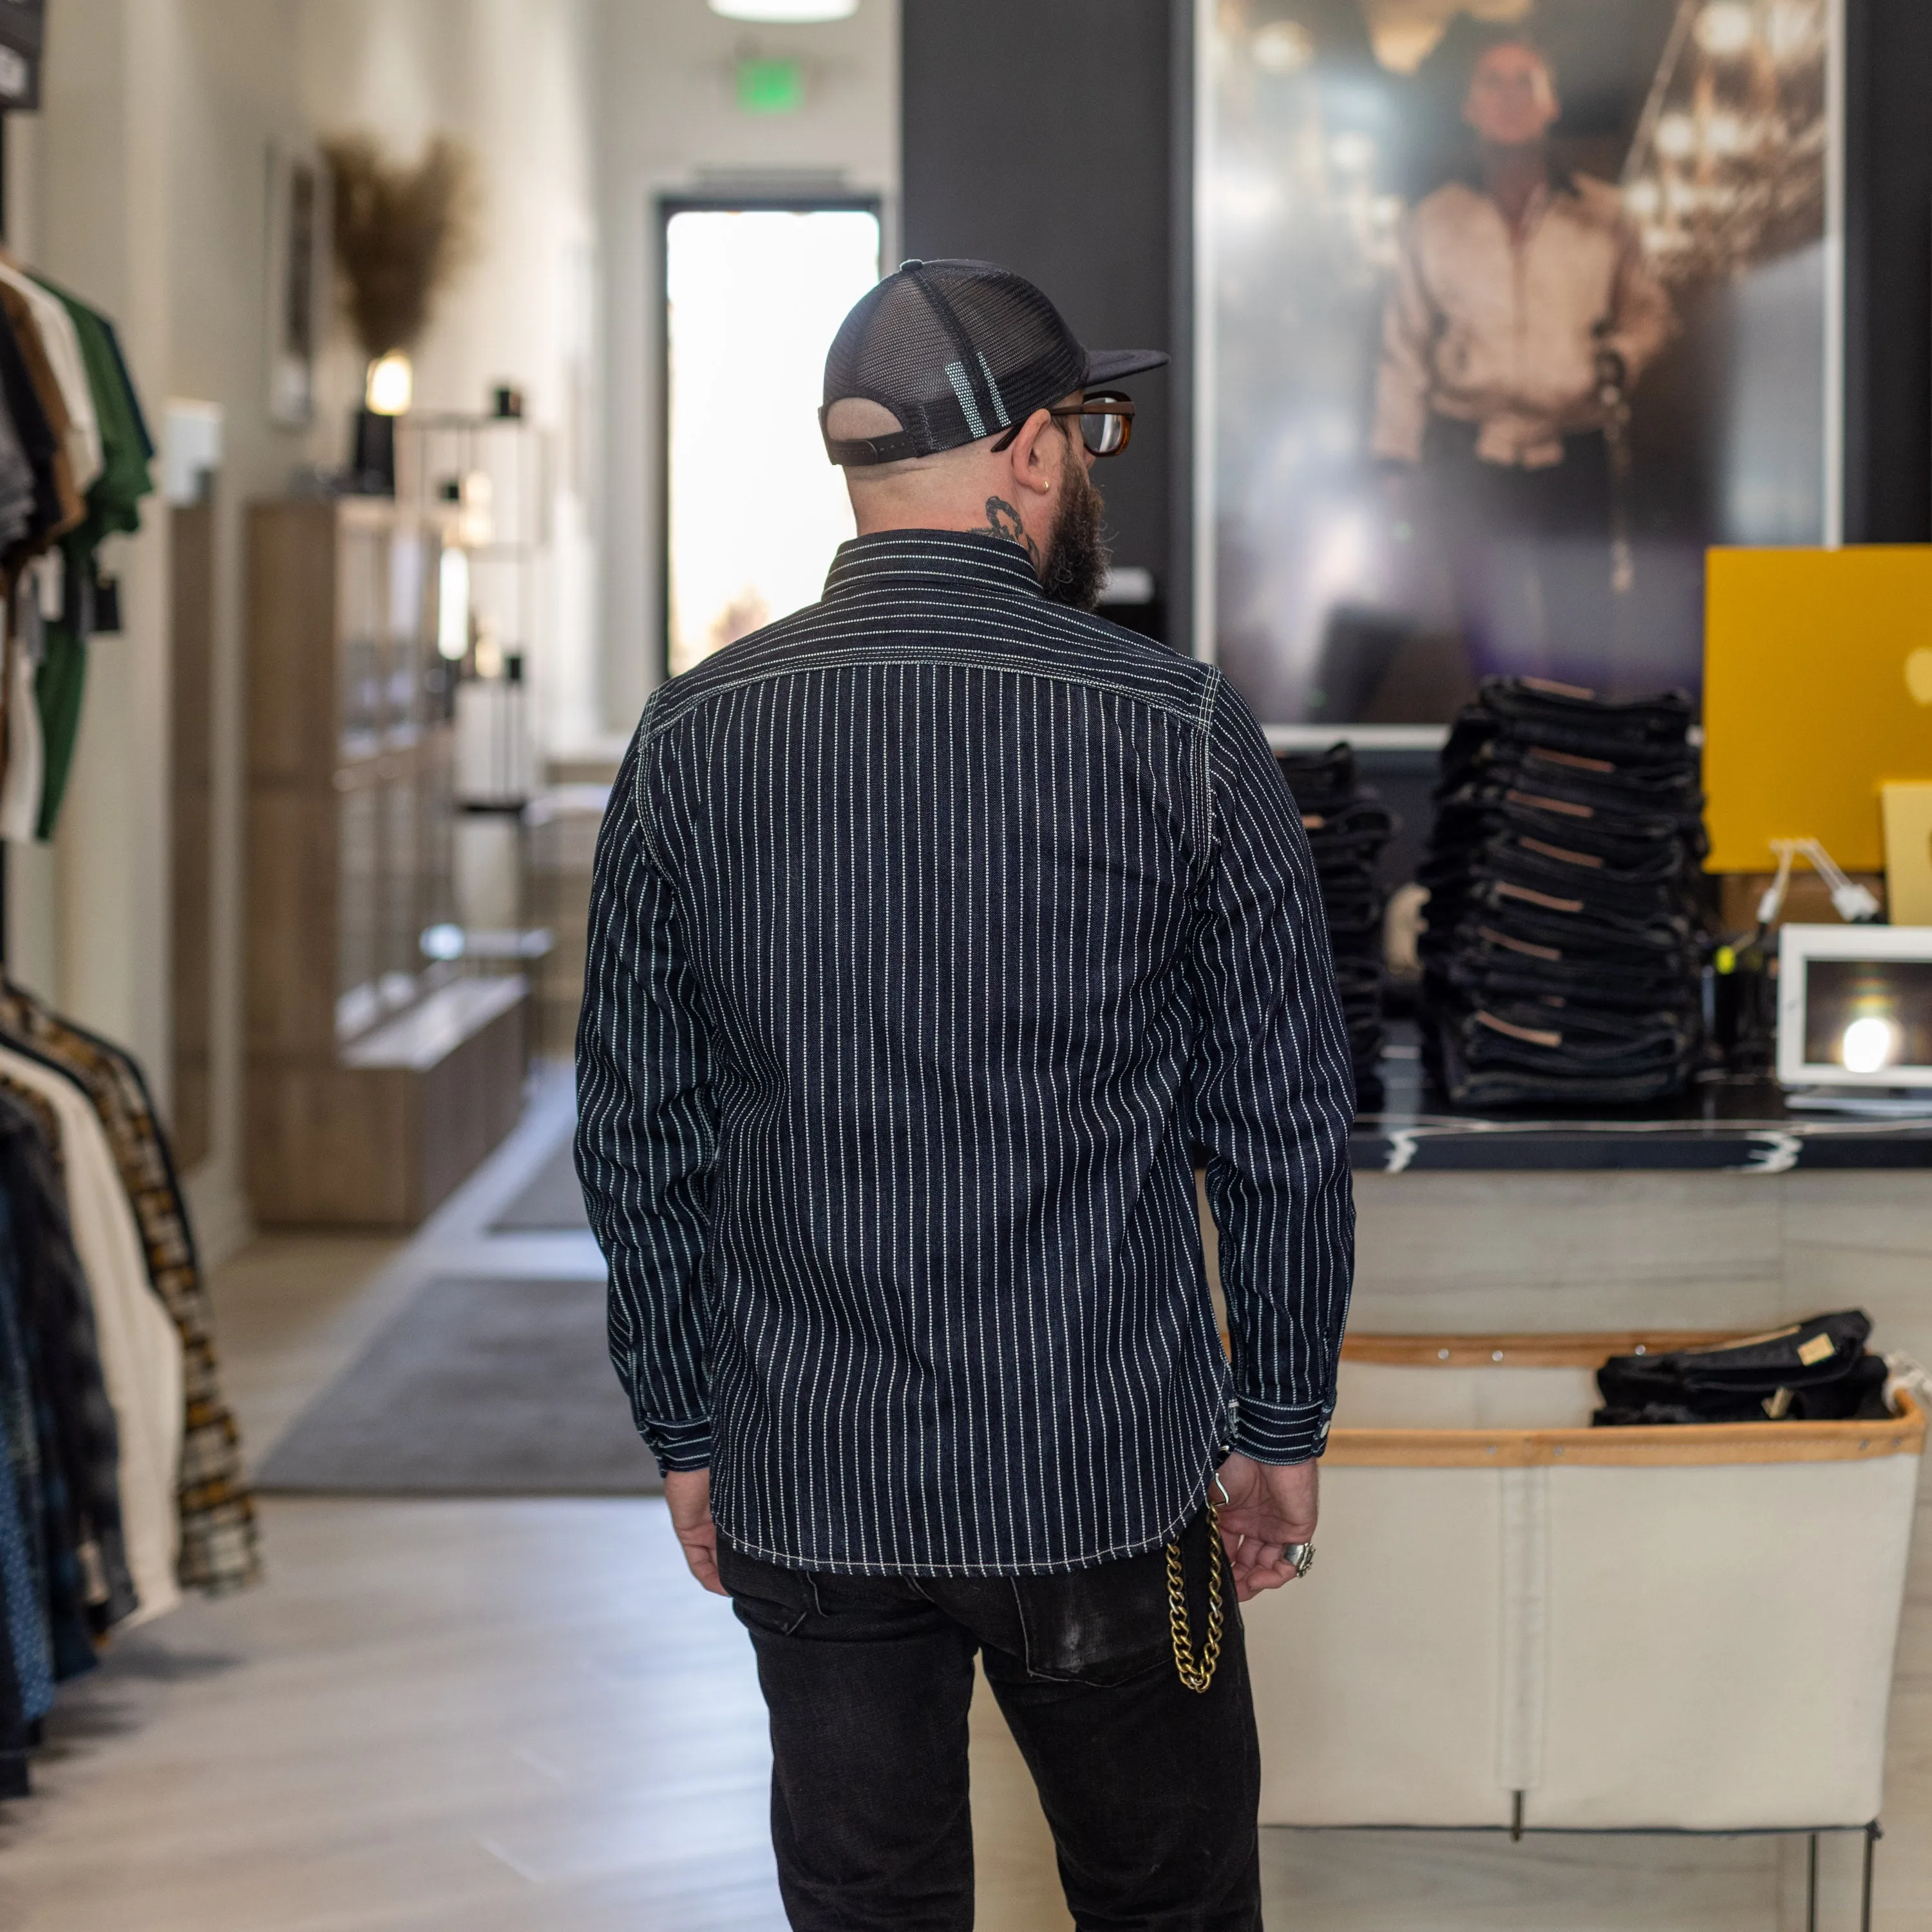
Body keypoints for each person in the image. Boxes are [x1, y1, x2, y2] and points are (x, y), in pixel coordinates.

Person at [576, 258, 1356, 1931]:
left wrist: (687, 1426)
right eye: (1089, 430)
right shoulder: (1177, 728)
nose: (1091, 462)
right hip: (1105, 1471)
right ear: (1024, 451)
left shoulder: (692, 740)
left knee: (868, 1910)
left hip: (812, 1469)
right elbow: (1283, 1126)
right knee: (1170, 1904)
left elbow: (641, 1133)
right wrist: (1280, 1422)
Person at [1372, 35, 1675, 681]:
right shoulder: (1433, 222)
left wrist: (1618, 357)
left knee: (1585, 625)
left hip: (1574, 450)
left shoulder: (1604, 215)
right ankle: (1506, 764)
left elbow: (1651, 312)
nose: (1509, 98)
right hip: (1472, 455)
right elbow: (1404, 348)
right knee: (1487, 628)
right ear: (1469, 107)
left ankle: (1579, 766)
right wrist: (1394, 461)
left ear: (1551, 103)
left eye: (1524, 82)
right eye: (1492, 83)